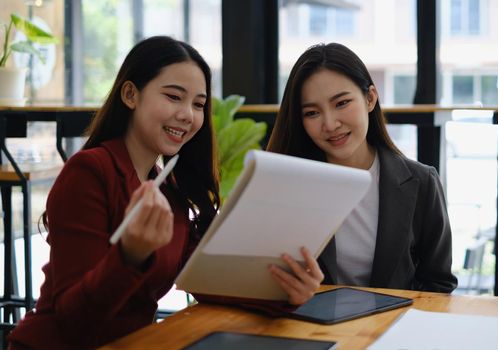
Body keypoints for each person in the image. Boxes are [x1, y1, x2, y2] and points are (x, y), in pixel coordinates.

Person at [8, 36, 322, 349]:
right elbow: (74, 319)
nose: (188, 114)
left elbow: (207, 281)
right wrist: (129, 255)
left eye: (199, 104)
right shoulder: (89, 172)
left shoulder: (169, 192)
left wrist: (284, 293)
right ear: (131, 95)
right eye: (174, 97)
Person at [267, 43, 457, 293]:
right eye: (312, 112)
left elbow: (439, 283)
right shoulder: (288, 186)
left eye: (342, 103)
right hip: (313, 328)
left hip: (395, 327)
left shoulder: (422, 182)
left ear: (370, 98)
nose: (330, 124)